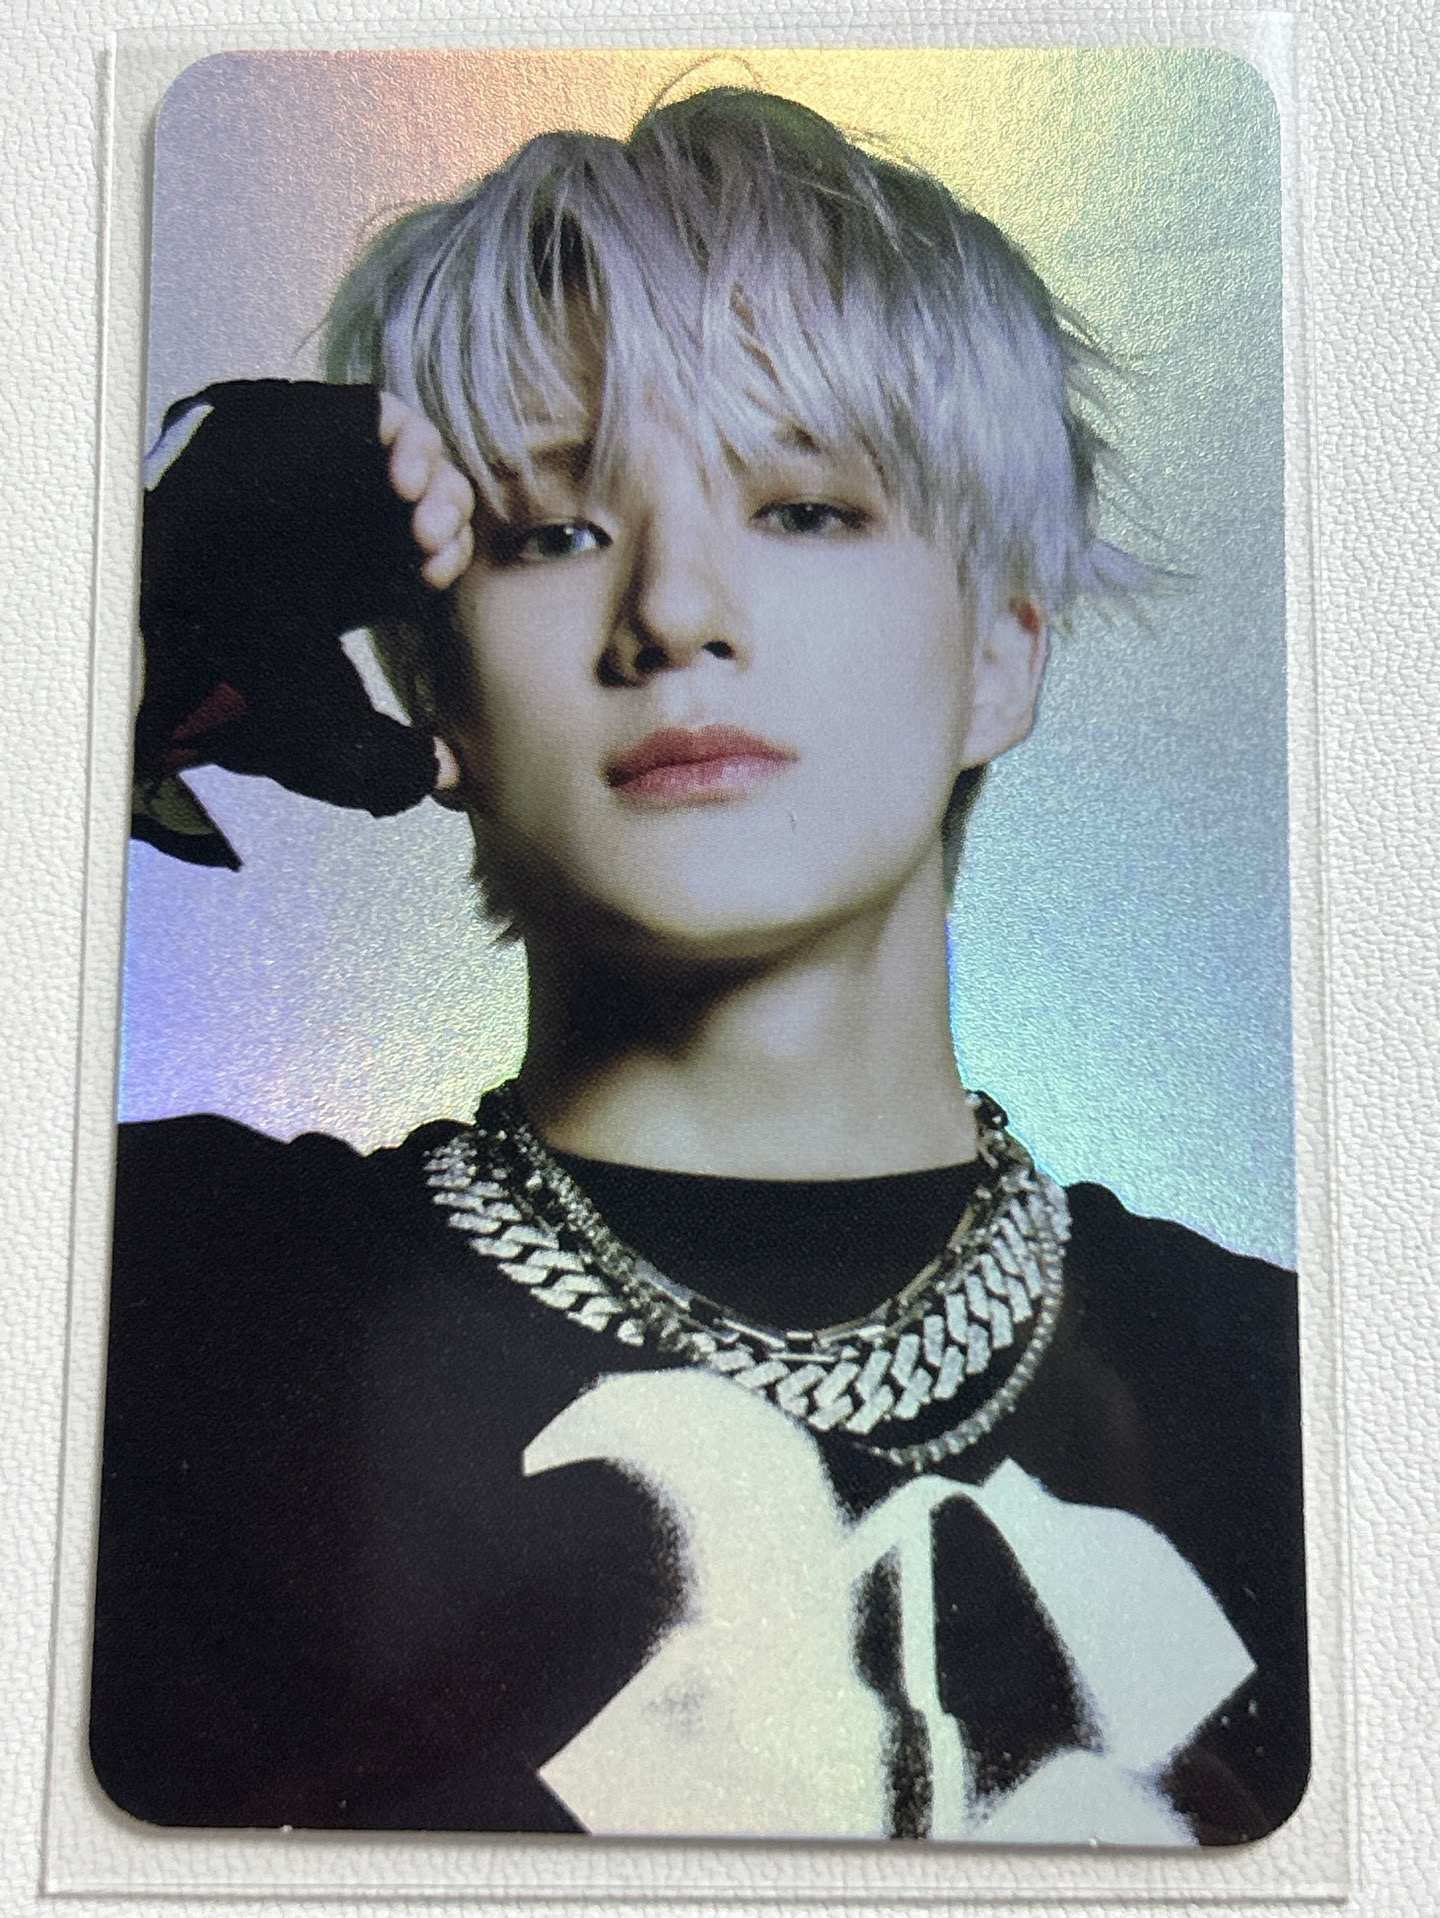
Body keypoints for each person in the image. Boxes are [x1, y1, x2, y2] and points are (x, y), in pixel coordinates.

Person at [93, 87, 1307, 1846]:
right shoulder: (158, 1294)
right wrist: (94, 639)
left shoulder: (1297, 1391)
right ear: (431, 686)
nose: (672, 608)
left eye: (804, 507)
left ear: (1003, 654)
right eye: (551, 532)